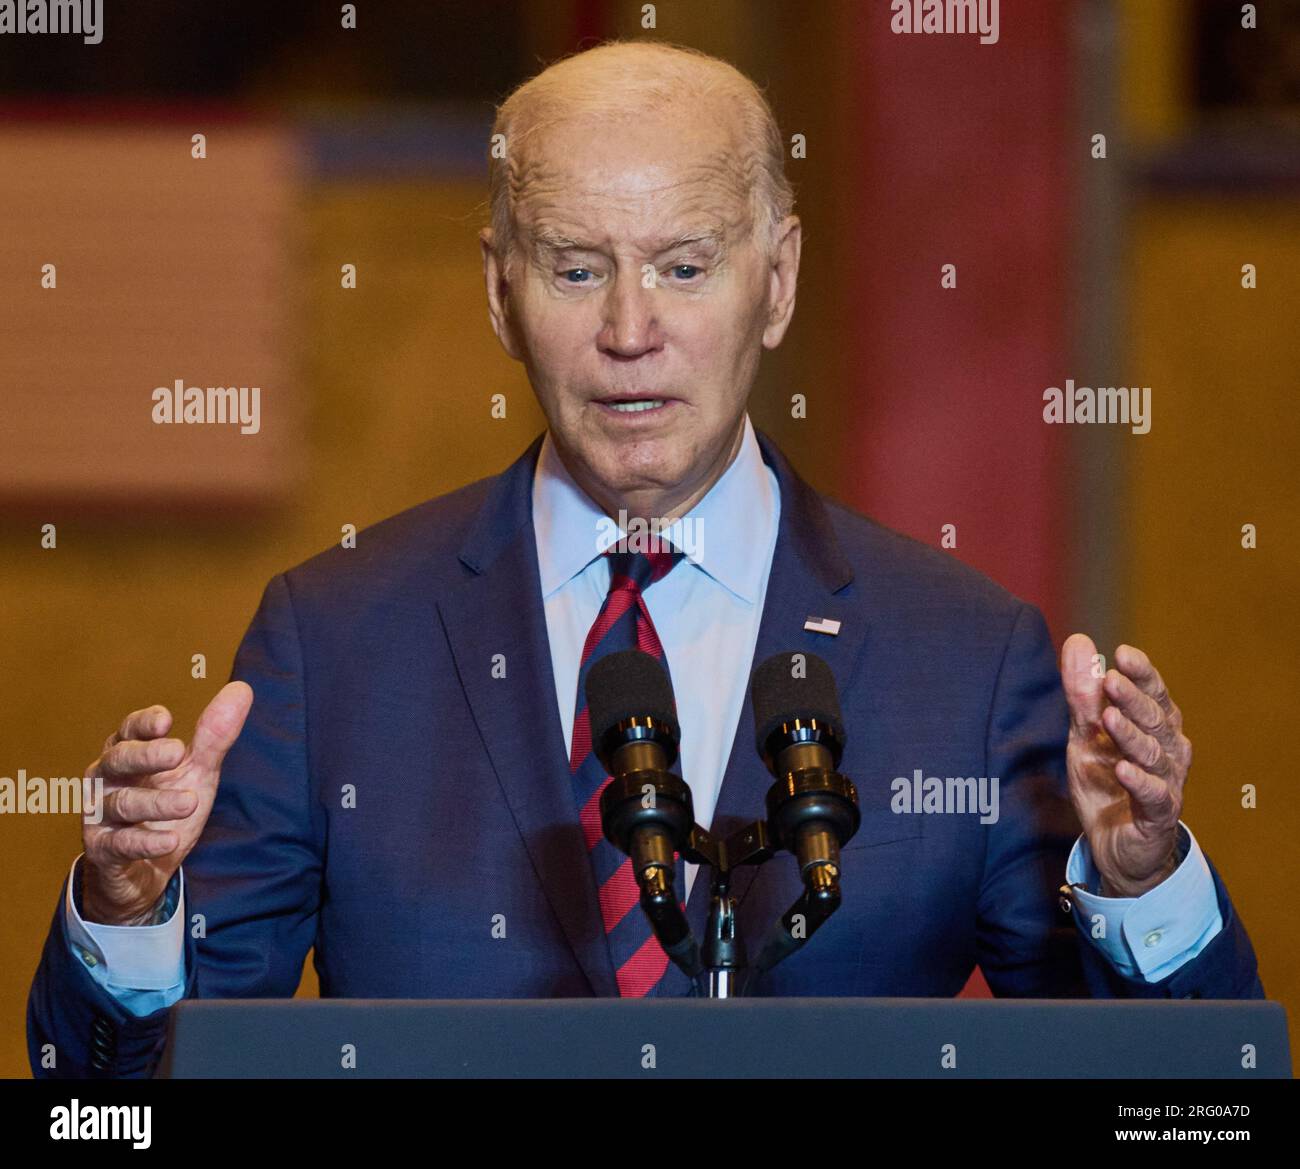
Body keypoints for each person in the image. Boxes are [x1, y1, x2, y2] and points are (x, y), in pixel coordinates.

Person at [28, 41, 1262, 1079]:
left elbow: (1177, 1100)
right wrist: (131, 914)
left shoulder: (968, 656)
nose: (630, 330)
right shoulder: (335, 639)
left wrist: (1136, 877)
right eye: (576, 269)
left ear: (774, 282)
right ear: (501, 294)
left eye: (683, 266)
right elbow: (122, 1105)